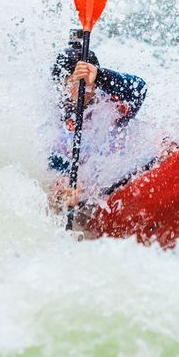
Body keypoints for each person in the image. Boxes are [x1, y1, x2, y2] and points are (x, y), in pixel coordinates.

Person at [47, 32, 147, 225]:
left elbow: (139, 89)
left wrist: (100, 76)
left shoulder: (109, 104)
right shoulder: (54, 124)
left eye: (88, 81)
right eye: (75, 81)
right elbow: (52, 167)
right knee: (58, 195)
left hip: (123, 177)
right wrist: (64, 191)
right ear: (62, 84)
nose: (86, 88)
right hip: (89, 195)